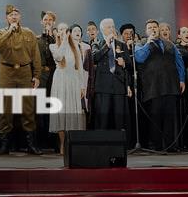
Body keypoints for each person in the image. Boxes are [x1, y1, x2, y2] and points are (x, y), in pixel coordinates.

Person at [0, 4, 42, 155]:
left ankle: (31, 145)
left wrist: (37, 75)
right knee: (6, 109)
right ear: (7, 18)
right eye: (11, 15)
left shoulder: (29, 33)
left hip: (25, 71)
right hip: (7, 72)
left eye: (16, 14)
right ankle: (5, 145)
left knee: (28, 109)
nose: (14, 17)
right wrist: (9, 31)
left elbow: (36, 56)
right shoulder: (0, 33)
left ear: (20, 17)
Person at [133, 20, 186, 152]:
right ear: (146, 31)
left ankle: (169, 146)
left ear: (158, 29)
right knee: (155, 117)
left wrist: (182, 79)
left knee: (169, 117)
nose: (153, 29)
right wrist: (149, 43)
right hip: (153, 86)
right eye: (150, 28)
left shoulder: (170, 44)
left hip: (170, 84)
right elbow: (139, 58)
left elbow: (179, 62)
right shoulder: (141, 43)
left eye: (155, 27)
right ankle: (155, 146)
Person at [48, 22, 88, 153]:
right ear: (57, 32)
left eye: (65, 30)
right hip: (60, 80)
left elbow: (80, 67)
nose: (63, 31)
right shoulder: (53, 46)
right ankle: (62, 144)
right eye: (61, 29)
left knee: (72, 110)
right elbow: (59, 57)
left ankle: (72, 143)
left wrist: (82, 86)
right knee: (61, 111)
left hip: (73, 80)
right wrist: (64, 41)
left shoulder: (76, 46)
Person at [91, 18, 132, 132]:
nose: (112, 29)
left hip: (119, 85)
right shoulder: (96, 44)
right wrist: (107, 45)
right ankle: (102, 141)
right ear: (102, 30)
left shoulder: (121, 45)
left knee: (120, 121)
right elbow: (94, 58)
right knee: (103, 120)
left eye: (113, 26)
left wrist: (124, 64)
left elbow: (129, 65)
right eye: (109, 27)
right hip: (103, 87)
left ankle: (121, 141)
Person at [35, 11, 58, 151]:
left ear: (53, 22)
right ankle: (41, 142)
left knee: (53, 107)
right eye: (45, 19)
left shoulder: (57, 39)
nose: (47, 21)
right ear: (41, 22)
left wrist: (52, 37)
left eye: (50, 20)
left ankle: (54, 142)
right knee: (41, 109)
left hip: (55, 75)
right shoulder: (37, 40)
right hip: (41, 76)